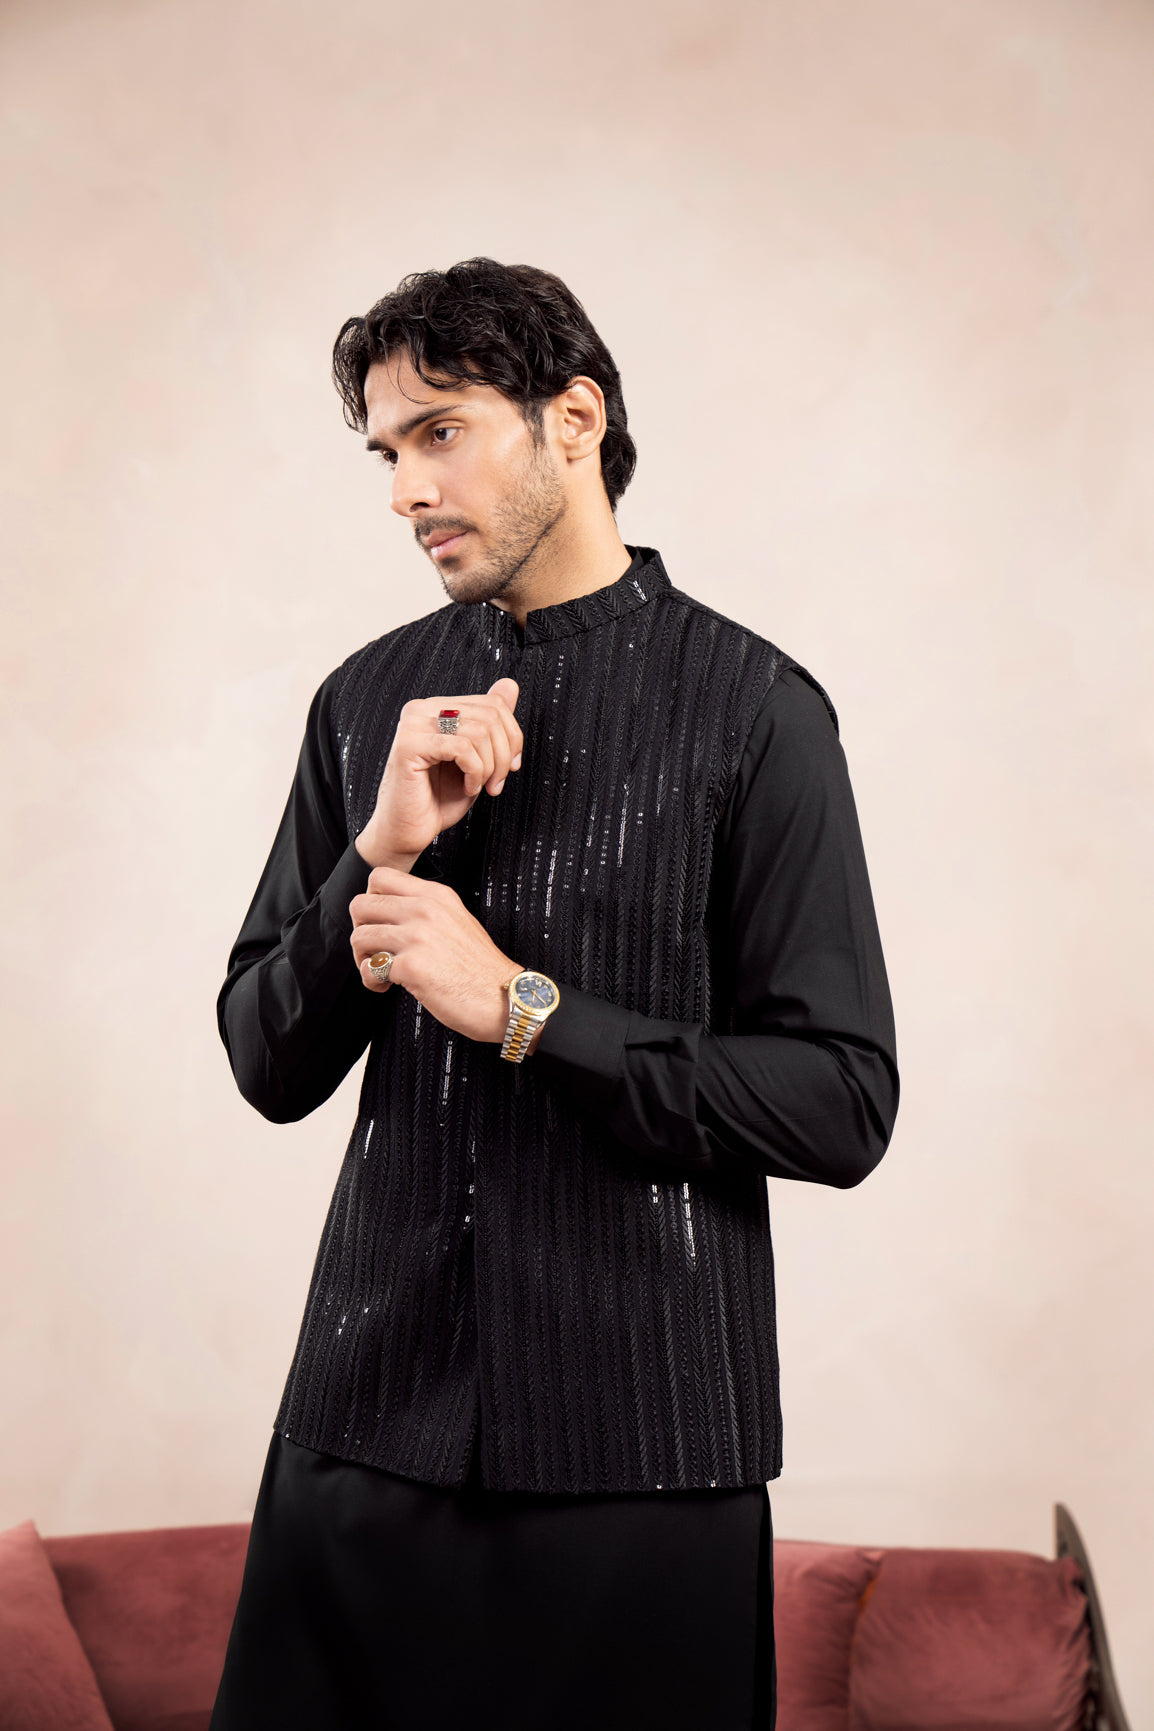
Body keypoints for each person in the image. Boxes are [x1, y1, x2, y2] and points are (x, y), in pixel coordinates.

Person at [209, 257, 899, 1731]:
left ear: (572, 420)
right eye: (386, 453)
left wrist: (523, 1008)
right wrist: (379, 856)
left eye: (441, 431)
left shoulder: (756, 712)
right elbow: (264, 1061)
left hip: (641, 1466)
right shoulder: (367, 704)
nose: (407, 489)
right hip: (357, 1437)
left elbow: (840, 1101)